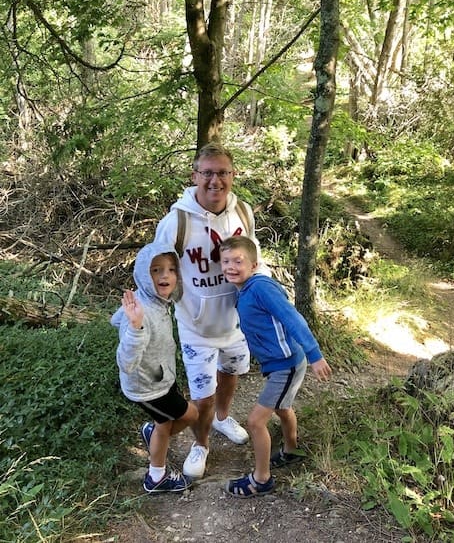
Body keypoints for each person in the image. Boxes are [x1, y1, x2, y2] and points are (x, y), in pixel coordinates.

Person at [154, 142, 269, 479]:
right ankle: (201, 443)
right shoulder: (176, 221)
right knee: (202, 396)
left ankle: (222, 417)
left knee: (231, 374)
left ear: (232, 175)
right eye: (207, 173)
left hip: (236, 322)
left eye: (222, 173)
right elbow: (158, 268)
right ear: (195, 176)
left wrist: (265, 295)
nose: (215, 181)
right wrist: (156, 308)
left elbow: (252, 258)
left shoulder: (243, 212)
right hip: (196, 326)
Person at [219, 235, 332, 498]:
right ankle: (291, 450)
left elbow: (292, 318)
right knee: (282, 407)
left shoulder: (260, 288)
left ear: (254, 265)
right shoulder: (246, 289)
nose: (231, 267)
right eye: (226, 262)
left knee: (255, 421)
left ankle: (261, 479)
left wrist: (315, 355)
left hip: (287, 364)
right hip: (280, 363)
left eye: (238, 261)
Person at [110, 242, 198, 493]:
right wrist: (135, 326)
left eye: (171, 269)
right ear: (143, 274)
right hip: (147, 387)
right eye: (156, 270)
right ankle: (156, 477)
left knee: (172, 420)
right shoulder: (143, 312)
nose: (165, 275)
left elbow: (114, 319)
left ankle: (155, 436)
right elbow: (126, 363)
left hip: (160, 379)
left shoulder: (150, 300)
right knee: (185, 416)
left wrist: (125, 317)